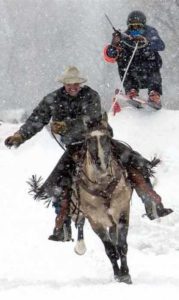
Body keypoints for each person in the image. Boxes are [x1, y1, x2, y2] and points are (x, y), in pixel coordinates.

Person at [5, 66, 172, 242]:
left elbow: (91, 119)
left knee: (134, 161)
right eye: (69, 84)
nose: (73, 87)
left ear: (80, 83)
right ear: (64, 84)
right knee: (59, 182)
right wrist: (20, 136)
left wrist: (66, 125)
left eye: (76, 83)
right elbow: (37, 119)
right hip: (75, 147)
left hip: (99, 139)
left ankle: (152, 203)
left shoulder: (91, 95)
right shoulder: (52, 99)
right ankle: (63, 225)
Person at [104, 10, 165, 109]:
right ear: (129, 27)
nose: (135, 29)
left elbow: (161, 45)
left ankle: (154, 93)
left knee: (153, 61)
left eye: (139, 26)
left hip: (149, 69)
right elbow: (110, 56)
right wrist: (114, 43)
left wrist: (146, 41)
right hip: (133, 70)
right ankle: (131, 89)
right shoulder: (125, 36)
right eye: (132, 27)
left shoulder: (150, 32)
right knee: (121, 59)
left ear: (143, 26)